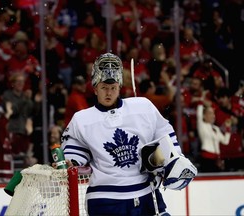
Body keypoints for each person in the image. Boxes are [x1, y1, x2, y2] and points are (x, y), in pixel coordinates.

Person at [60, 53, 197, 216]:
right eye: (104, 88)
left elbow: (163, 132)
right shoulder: (82, 119)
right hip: (105, 200)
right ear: (95, 88)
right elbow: (74, 149)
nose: (108, 93)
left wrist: (174, 158)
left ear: (120, 87)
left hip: (146, 195)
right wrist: (72, 160)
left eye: (113, 88)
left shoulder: (143, 107)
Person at [196, 103, 231, 172]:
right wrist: (201, 102)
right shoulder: (202, 125)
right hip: (207, 159)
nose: (213, 116)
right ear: (204, 116)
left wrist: (228, 128)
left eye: (213, 113)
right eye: (210, 113)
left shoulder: (216, 128)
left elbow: (225, 141)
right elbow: (199, 115)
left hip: (217, 159)